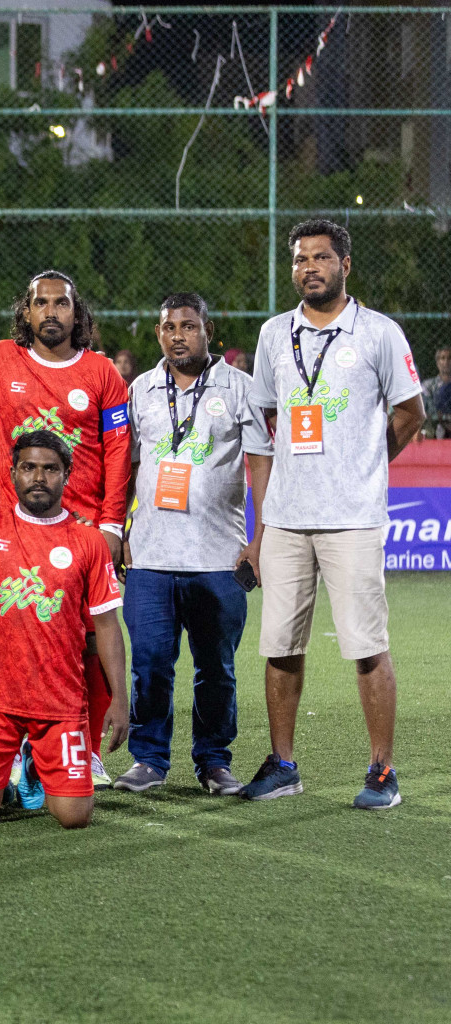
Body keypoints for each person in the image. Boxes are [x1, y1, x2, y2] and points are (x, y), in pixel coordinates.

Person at [242, 219, 425, 809]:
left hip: (353, 516)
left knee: (367, 645)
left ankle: (381, 770)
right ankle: (284, 764)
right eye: (300, 260)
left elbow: (410, 412)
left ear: (346, 265)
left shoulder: (378, 332)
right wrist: (264, 518)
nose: (310, 269)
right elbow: (267, 428)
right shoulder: (275, 334)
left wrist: (367, 460)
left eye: (321, 258)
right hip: (290, 517)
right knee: (280, 645)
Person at [0, 271, 131, 790]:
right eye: (42, 303)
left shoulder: (102, 373)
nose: (52, 312)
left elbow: (120, 452)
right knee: (17, 633)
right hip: (17, 533)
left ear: (76, 313)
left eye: (63, 303)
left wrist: (110, 525)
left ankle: (85, 748)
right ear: (27, 312)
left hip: (81, 532)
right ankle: (14, 746)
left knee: (87, 640)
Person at [114, 293, 273, 796]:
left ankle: (213, 761)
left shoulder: (240, 387)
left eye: (188, 325)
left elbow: (261, 464)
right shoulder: (138, 389)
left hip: (218, 558)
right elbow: (126, 466)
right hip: (151, 557)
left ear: (208, 329)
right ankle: (149, 759)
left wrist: (261, 538)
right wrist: (118, 529)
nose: (177, 335)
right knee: (151, 664)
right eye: (168, 327)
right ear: (158, 334)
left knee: (216, 670)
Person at [0, 431, 129, 828]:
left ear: (67, 475)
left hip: (59, 701)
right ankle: (6, 778)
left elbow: (107, 625)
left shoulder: (88, 541)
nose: (38, 477)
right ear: (12, 473)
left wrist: (120, 697)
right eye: (28, 468)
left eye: (50, 469)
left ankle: (32, 762)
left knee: (74, 818)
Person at [422, 345, 451, 438]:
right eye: (443, 358)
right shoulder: (428, 385)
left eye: (450, 358)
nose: (446, 362)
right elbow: (429, 410)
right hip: (434, 427)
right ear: (438, 362)